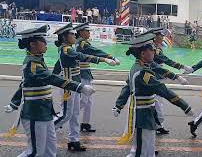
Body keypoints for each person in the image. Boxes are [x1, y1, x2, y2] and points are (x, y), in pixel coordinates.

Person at [3, 25, 96, 157]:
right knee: (34, 152)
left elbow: (24, 84)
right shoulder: (32, 64)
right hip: (35, 113)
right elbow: (52, 78)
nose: (46, 44)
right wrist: (80, 87)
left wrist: (14, 103)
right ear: (33, 44)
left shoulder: (38, 60)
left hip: (45, 112)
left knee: (50, 150)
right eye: (43, 41)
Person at [121, 32, 194, 157]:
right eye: (151, 50)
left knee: (148, 149)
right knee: (139, 151)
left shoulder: (141, 65)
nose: (154, 52)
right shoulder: (142, 72)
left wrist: (177, 77)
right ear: (143, 54)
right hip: (142, 115)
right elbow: (161, 89)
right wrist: (184, 105)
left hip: (147, 113)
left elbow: (160, 69)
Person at [52, 23, 117, 151]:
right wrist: (104, 60)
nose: (74, 35)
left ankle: (73, 140)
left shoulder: (69, 48)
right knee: (66, 114)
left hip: (75, 85)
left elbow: (58, 64)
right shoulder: (66, 49)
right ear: (65, 37)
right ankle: (44, 131)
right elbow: (82, 57)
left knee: (75, 113)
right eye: (71, 34)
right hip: (68, 86)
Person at [74, 22, 120, 132]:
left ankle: (85, 123)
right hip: (82, 73)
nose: (89, 32)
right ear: (81, 32)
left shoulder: (81, 43)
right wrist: (110, 57)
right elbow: (95, 51)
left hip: (85, 72)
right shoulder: (82, 43)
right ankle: (65, 114)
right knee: (84, 101)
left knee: (89, 101)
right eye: (87, 31)